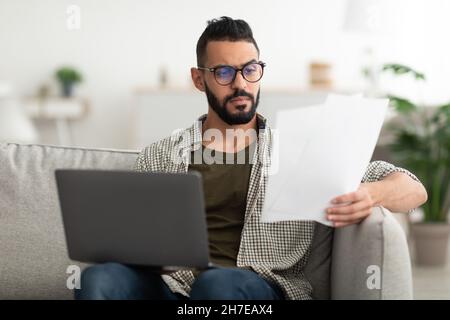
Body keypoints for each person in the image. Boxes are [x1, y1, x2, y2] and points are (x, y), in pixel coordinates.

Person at [75, 16, 427, 300]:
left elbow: (413, 188)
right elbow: (136, 242)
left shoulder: (299, 149)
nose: (240, 84)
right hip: (174, 291)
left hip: (256, 293)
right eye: (224, 73)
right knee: (100, 279)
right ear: (199, 80)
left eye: (250, 69)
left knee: (217, 286)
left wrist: (371, 194)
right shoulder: (160, 156)